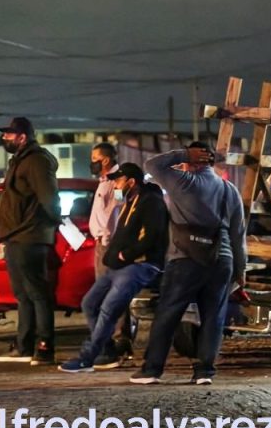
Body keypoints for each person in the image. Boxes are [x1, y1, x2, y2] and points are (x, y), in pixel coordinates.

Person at [131, 142, 246, 385]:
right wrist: (240, 270)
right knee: (213, 315)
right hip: (221, 259)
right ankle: (204, 371)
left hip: (185, 259)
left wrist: (182, 154)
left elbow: (151, 165)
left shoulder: (183, 181)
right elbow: (238, 234)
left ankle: (152, 370)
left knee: (168, 313)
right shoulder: (230, 190)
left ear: (191, 160)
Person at [59, 163, 168, 373]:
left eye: (119, 181)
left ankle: (87, 358)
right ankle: (106, 350)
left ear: (131, 182)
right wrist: (112, 257)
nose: (116, 185)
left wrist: (125, 255)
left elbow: (153, 237)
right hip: (119, 266)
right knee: (89, 303)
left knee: (109, 309)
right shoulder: (130, 200)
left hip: (139, 265)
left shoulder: (151, 202)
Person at [0, 117, 62, 365]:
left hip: (30, 236)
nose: (4, 138)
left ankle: (44, 348)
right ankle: (24, 347)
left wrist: (52, 222)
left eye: (9, 134)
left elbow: (49, 197)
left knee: (37, 294)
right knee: (23, 295)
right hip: (16, 237)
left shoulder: (36, 161)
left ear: (22, 137)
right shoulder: (20, 160)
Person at [87, 142, 134, 363]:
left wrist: (107, 238)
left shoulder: (117, 181)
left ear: (105, 160)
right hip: (102, 242)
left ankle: (118, 340)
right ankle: (118, 339)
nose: (92, 162)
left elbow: (116, 210)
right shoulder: (104, 181)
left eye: (94, 157)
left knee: (111, 293)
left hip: (109, 243)